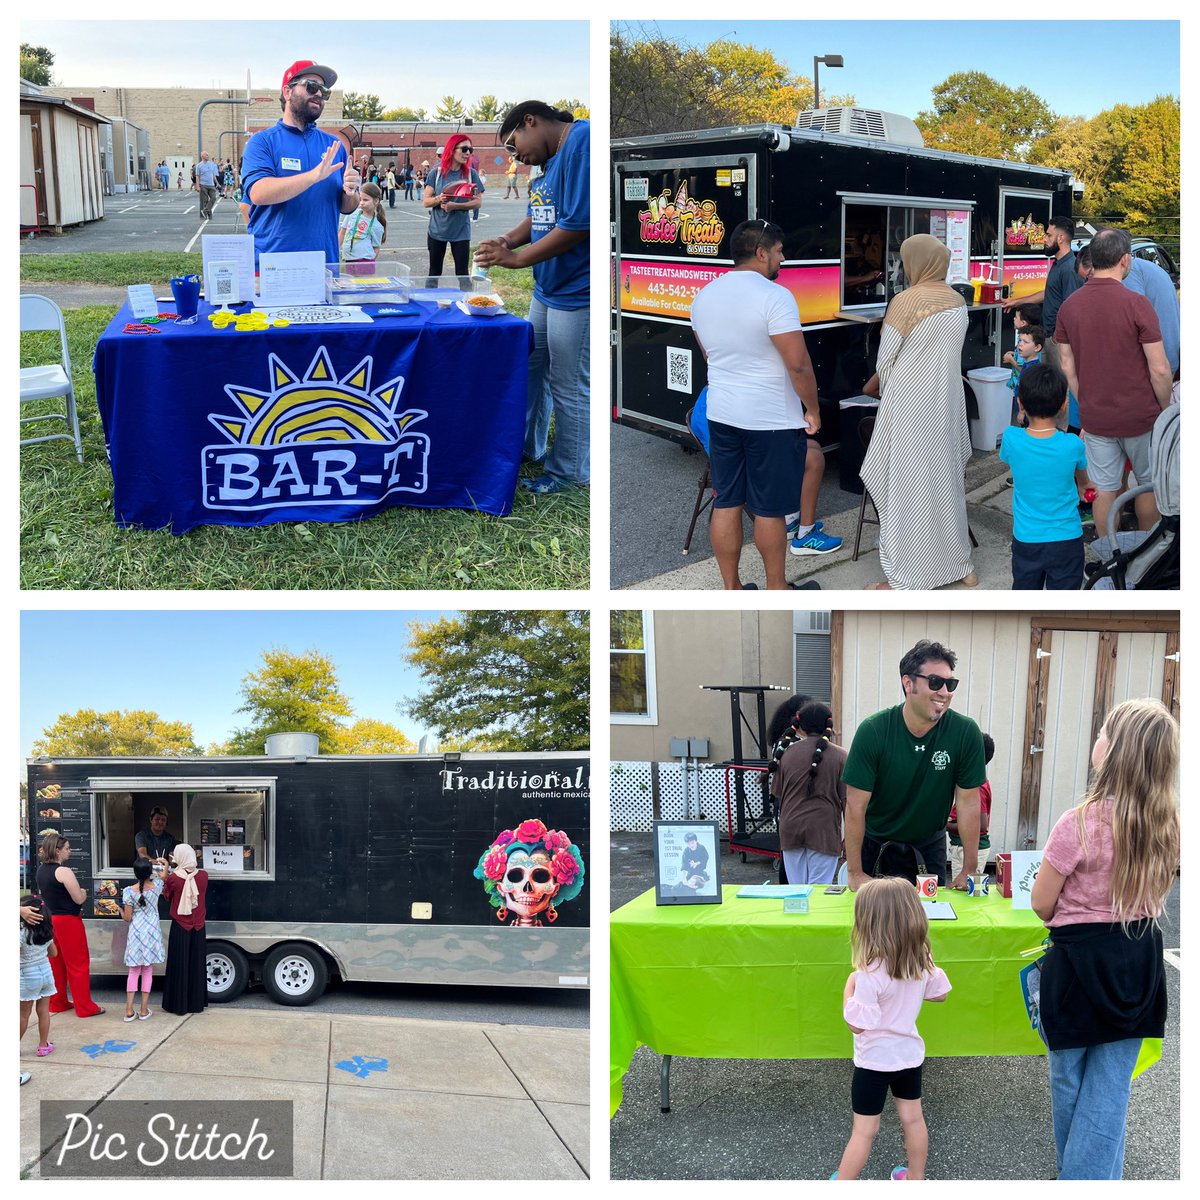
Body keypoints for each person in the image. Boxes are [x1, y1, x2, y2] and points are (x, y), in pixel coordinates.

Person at [1031, 698, 1178, 1180]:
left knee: (1068, 1080)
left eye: (1102, 733)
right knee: (1111, 1087)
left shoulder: (1078, 822)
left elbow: (1041, 903)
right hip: (1138, 961)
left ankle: (1077, 1179)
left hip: (1077, 964)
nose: (1095, 739)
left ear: (1114, 751)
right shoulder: (1169, 826)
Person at [686, 219, 819, 590]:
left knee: (727, 501)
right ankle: (776, 589)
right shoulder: (775, 297)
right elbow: (798, 364)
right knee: (768, 508)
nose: (782, 258)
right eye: (779, 251)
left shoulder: (704, 296)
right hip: (770, 419)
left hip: (722, 414)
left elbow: (709, 355)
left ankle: (732, 589)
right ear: (761, 253)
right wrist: (812, 409)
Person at [475, 101, 590, 496]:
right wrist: (508, 239)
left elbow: (578, 224)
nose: (515, 157)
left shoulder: (582, 141)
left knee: (568, 383)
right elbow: (539, 215)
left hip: (577, 292)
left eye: (513, 146)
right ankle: (528, 448)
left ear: (531, 121)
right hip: (547, 289)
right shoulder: (547, 162)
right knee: (531, 367)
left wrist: (517, 259)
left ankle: (570, 471)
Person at [859, 235, 976, 591]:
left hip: (910, 406)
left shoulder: (905, 301)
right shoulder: (957, 300)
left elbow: (885, 361)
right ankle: (961, 566)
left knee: (907, 487)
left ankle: (907, 577)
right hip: (947, 402)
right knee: (947, 483)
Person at [1054, 228, 1173, 536]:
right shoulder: (1138, 304)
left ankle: (1109, 554)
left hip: (1096, 417)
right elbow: (1160, 368)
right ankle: (1147, 553)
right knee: (1147, 485)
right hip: (1141, 415)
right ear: (1125, 260)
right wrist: (1164, 409)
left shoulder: (1070, 306)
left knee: (1104, 488)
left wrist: (1085, 401)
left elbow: (1067, 365)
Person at [832, 876, 951, 1181]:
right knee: (913, 1120)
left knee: (864, 1130)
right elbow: (940, 994)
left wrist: (848, 988)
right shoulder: (920, 960)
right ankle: (916, 1179)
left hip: (873, 1062)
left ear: (868, 923)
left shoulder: (868, 973)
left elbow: (857, 1025)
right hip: (908, 1056)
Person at [842, 639, 985, 892]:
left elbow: (968, 803)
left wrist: (969, 868)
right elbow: (855, 805)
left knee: (931, 915)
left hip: (928, 848)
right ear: (908, 683)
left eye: (950, 684)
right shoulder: (874, 731)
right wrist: (854, 872)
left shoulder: (965, 732)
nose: (944, 692)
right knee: (876, 917)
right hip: (877, 848)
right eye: (935, 682)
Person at [240, 60, 362, 266]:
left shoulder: (334, 146)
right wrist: (313, 176)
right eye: (311, 86)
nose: (319, 93)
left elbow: (347, 207)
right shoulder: (262, 142)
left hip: (324, 265)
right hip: (274, 267)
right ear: (287, 92)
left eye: (324, 91)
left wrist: (351, 193)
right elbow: (258, 193)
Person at [1000, 363, 1089, 590]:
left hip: (1027, 539)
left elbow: (1010, 458)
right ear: (1064, 405)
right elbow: (1083, 481)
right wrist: (1085, 487)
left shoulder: (1011, 438)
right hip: (1067, 539)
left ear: (1020, 403)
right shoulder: (1073, 444)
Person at [770, 700, 847, 884]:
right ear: (828, 724)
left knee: (796, 890)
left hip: (791, 829)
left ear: (799, 726)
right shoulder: (841, 756)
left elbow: (778, 793)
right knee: (819, 890)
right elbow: (848, 802)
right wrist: (849, 839)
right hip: (824, 831)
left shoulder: (786, 754)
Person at [34, 833, 104, 1016]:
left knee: (56, 963)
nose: (69, 851)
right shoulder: (63, 871)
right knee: (78, 964)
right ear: (57, 851)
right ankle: (85, 1007)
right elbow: (79, 898)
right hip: (68, 922)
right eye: (67, 848)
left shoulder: (41, 870)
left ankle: (57, 1002)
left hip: (51, 920)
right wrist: (84, 891)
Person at [422, 132, 483, 278]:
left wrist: (455, 206)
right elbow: (426, 201)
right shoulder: (436, 173)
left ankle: (464, 294)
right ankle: (431, 294)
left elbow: (478, 202)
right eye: (464, 149)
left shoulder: (471, 174)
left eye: (470, 150)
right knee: (434, 273)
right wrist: (439, 199)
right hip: (437, 231)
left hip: (461, 232)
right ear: (452, 149)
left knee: (462, 274)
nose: (468, 153)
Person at [161, 844, 208, 1015]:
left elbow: (167, 896)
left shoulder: (174, 878)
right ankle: (196, 1004)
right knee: (196, 964)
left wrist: (165, 878)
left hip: (181, 925)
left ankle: (178, 1005)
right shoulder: (203, 876)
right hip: (199, 926)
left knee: (179, 964)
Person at [121, 859, 165, 1022]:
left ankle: (129, 1010)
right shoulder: (157, 886)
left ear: (135, 873)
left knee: (133, 971)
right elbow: (164, 875)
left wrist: (120, 911)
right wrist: (165, 863)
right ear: (150, 872)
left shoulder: (128, 891)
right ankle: (144, 1010)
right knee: (147, 970)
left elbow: (127, 918)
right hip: (152, 932)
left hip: (136, 933)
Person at [21, 894, 59, 1076]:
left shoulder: (21, 933)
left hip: (27, 975)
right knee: (44, 1011)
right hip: (46, 973)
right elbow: (54, 953)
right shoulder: (46, 931)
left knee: (23, 1015)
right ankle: (43, 1045)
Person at [947, 733, 994, 878]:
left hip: (969, 849)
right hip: (962, 847)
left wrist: (945, 825)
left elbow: (982, 824)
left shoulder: (976, 787)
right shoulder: (974, 783)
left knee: (964, 889)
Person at [339, 181, 386, 273]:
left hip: (365, 262)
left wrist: (369, 263)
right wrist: (335, 250)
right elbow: (342, 233)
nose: (361, 203)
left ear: (376, 201)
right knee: (350, 282)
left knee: (363, 282)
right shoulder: (351, 214)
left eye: (365, 200)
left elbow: (376, 248)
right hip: (348, 260)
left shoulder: (377, 226)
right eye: (360, 199)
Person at [193, 151, 220, 220]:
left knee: (213, 198)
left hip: (211, 185)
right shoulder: (199, 165)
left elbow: (213, 174)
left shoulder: (211, 164)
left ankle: (205, 210)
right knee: (205, 201)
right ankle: (208, 215)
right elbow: (197, 176)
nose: (208, 156)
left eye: (208, 155)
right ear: (202, 156)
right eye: (206, 155)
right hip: (203, 185)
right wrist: (197, 186)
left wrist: (217, 183)